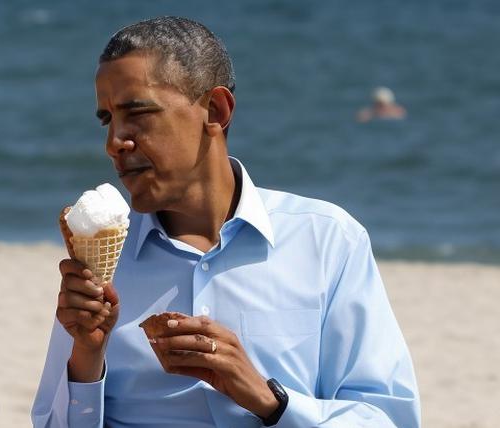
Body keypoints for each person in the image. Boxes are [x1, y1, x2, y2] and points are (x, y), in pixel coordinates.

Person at [32, 17, 419, 427]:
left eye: (138, 113)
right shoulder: (101, 263)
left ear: (215, 110)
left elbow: (389, 417)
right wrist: (87, 358)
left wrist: (269, 400)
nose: (115, 142)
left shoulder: (327, 241)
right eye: (108, 120)